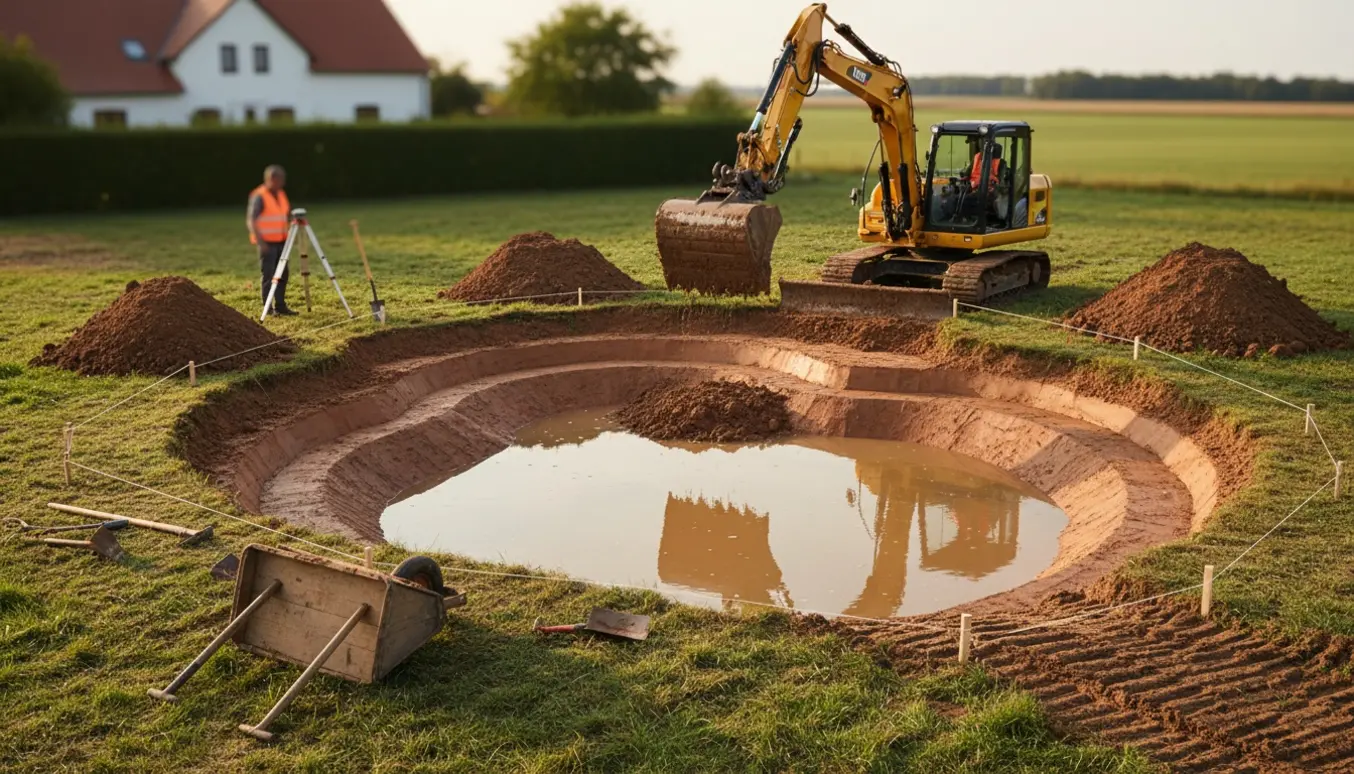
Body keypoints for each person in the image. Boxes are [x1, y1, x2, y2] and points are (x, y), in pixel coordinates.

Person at [247, 165, 296, 315]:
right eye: (281, 180)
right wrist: (260, 242)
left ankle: (281, 306)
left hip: (282, 241)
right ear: (272, 179)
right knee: (269, 276)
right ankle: (268, 308)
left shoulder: (281, 194)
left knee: (283, 275)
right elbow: (251, 220)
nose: (283, 183)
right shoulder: (259, 196)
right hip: (267, 243)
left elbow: (285, 213)